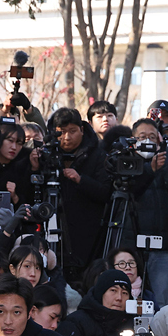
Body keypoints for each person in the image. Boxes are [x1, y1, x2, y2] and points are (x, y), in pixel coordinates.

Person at [46, 108, 111, 284]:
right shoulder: (48, 153)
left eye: (72, 131)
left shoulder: (97, 154)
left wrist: (81, 180)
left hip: (88, 234)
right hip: (54, 230)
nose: (67, 137)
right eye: (61, 132)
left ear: (82, 129)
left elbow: (106, 192)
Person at [131, 117, 168, 309]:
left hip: (162, 245)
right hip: (133, 245)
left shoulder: (166, 161)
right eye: (142, 137)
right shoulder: (127, 161)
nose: (147, 141)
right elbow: (132, 190)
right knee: (132, 296)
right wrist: (150, 169)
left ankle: (161, 329)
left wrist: (164, 153)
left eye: (152, 137)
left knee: (161, 298)